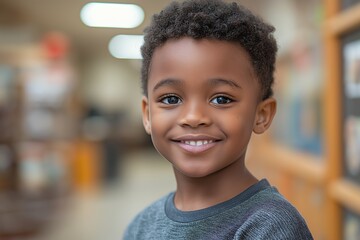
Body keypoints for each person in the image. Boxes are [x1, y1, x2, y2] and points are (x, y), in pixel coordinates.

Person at [124, 0, 313, 239]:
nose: (193, 118)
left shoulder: (270, 227)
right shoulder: (141, 226)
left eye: (221, 99)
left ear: (261, 115)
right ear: (147, 114)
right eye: (171, 99)